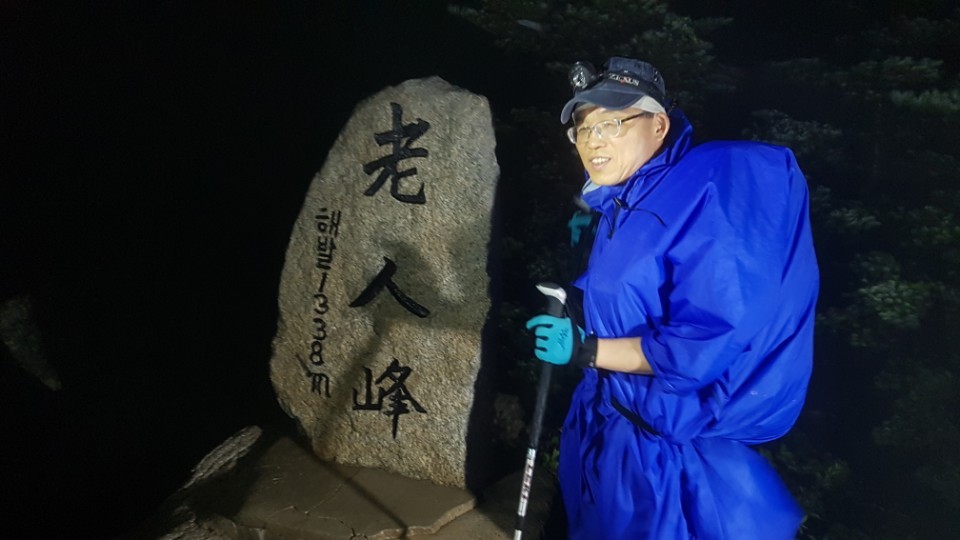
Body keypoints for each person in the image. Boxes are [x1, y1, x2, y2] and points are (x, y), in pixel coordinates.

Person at [525, 56, 819, 539]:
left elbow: (700, 344)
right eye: (583, 129)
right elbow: (634, 294)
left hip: (659, 466)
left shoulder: (703, 192)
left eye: (612, 123)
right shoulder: (625, 201)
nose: (593, 140)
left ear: (659, 125)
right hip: (608, 427)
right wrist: (576, 304)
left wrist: (586, 349)